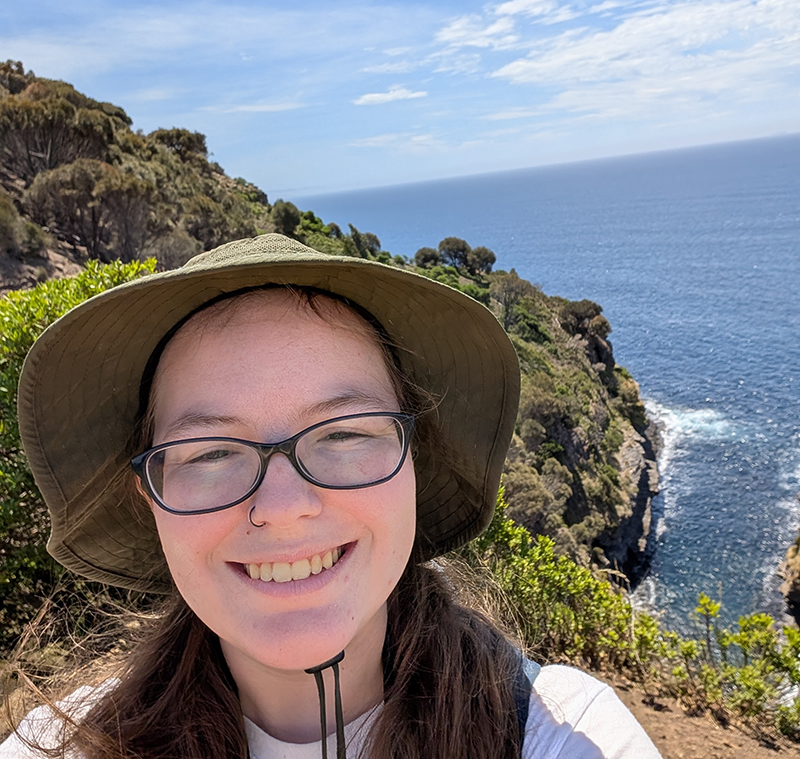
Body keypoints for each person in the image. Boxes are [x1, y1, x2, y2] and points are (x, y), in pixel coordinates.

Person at [2, 234, 661, 759]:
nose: (285, 506)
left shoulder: (564, 735)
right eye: (209, 451)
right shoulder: (64, 746)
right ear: (151, 496)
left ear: (412, 458)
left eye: (344, 434)